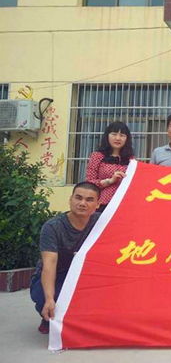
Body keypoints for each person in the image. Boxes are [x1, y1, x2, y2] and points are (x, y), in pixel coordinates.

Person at [30, 182, 101, 334]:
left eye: (89, 200)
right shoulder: (53, 227)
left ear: (97, 204)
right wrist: (49, 299)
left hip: (88, 275)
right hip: (58, 274)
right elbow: (49, 264)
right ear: (70, 199)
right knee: (44, 297)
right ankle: (47, 317)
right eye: (78, 198)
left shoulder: (102, 223)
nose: (82, 203)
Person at [85, 121, 135, 211]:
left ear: (127, 139)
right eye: (114, 134)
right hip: (102, 204)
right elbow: (89, 183)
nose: (118, 138)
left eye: (122, 135)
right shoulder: (97, 156)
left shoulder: (131, 159)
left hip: (125, 204)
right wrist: (110, 180)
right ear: (107, 136)